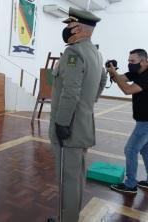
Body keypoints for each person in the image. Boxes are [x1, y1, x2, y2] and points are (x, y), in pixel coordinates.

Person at [48, 7, 106, 222]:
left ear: (77, 27)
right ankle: (68, 216)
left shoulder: (74, 53)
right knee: (76, 176)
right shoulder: (95, 53)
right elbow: (101, 81)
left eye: (69, 25)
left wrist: (62, 123)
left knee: (68, 179)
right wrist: (89, 104)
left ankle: (67, 219)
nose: (66, 29)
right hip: (82, 124)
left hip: (69, 128)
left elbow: (70, 91)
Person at [107, 49, 148, 194]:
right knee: (144, 149)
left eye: (133, 61)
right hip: (143, 120)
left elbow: (127, 90)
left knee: (130, 150)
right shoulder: (138, 71)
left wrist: (115, 75)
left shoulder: (146, 76)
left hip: (146, 122)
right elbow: (123, 79)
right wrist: (113, 72)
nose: (130, 64)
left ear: (143, 61)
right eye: (129, 61)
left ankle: (130, 185)